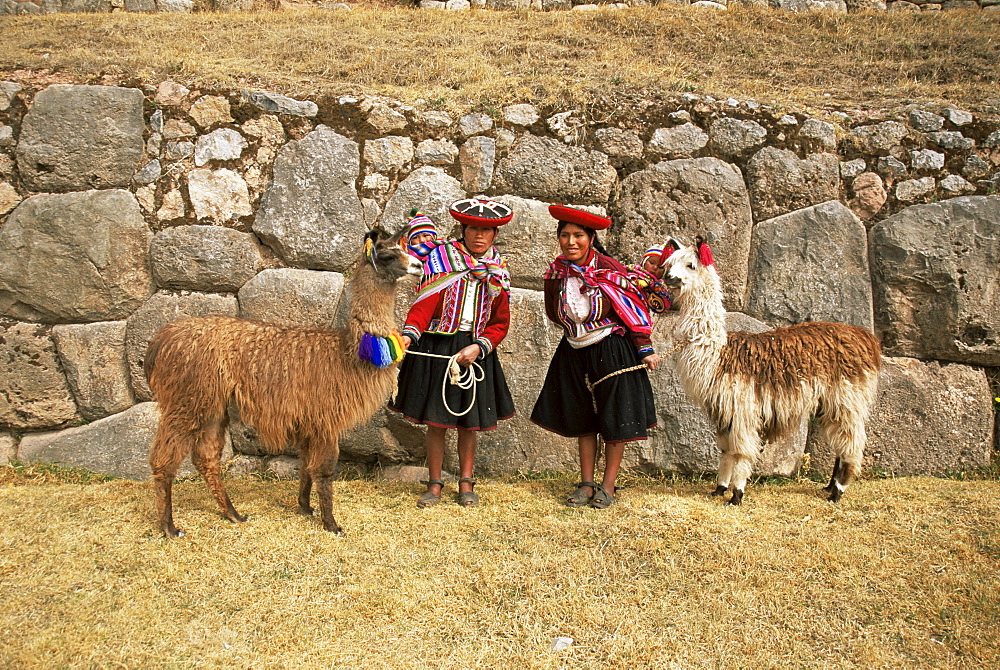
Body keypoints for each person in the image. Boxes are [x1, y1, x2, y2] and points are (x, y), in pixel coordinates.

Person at [530, 205, 661, 509]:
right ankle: (586, 483)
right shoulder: (555, 273)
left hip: (611, 349)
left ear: (590, 238)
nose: (571, 242)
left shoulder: (609, 269)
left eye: (578, 235)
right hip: (574, 349)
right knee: (583, 418)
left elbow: (632, 309)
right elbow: (554, 312)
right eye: (565, 235)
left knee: (615, 417)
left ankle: (608, 486)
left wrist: (644, 347)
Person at [390, 198, 516, 508]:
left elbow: (501, 321)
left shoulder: (498, 269)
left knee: (468, 420)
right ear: (463, 228)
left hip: (475, 348)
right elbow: (425, 305)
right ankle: (434, 484)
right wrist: (408, 335)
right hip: (439, 343)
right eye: (474, 228)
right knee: (437, 419)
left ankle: (466, 483)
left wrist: (480, 346)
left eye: (487, 230)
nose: (479, 236)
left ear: (495, 235)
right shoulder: (442, 259)